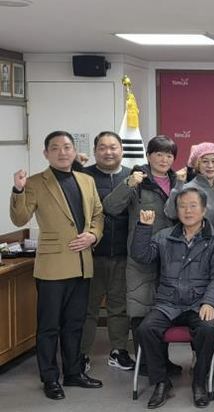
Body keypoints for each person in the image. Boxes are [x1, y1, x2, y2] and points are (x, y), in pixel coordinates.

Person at [10, 131, 104, 400]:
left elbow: (98, 214)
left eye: (67, 147)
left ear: (74, 151)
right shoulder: (35, 182)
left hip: (82, 263)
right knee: (49, 326)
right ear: (46, 153)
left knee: (75, 323)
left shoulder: (86, 180)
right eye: (55, 148)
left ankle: (73, 373)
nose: (62, 152)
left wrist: (93, 235)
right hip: (52, 266)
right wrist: (18, 190)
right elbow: (19, 219)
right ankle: (50, 378)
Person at [133, 188, 214, 409]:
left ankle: (199, 382)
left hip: (198, 302)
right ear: (176, 210)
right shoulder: (164, 236)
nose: (188, 210)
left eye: (193, 205)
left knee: (208, 330)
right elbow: (141, 256)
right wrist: (144, 228)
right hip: (168, 302)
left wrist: (210, 302)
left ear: (204, 210)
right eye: (182, 206)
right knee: (146, 329)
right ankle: (161, 382)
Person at [102, 135, 179, 375]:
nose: (164, 159)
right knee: (140, 307)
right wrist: (129, 184)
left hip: (170, 255)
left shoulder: (179, 182)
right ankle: (145, 364)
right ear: (149, 156)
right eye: (158, 154)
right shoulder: (138, 180)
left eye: (169, 155)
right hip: (140, 254)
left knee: (164, 309)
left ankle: (163, 361)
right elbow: (110, 207)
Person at [80, 131, 135, 373]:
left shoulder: (132, 177)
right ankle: (81, 354)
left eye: (113, 147)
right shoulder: (84, 176)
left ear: (121, 150)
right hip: (90, 255)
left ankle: (119, 351)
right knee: (87, 308)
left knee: (119, 307)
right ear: (95, 151)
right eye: (102, 147)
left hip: (123, 254)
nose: (108, 152)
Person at [165, 142, 214, 232]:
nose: (210, 166)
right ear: (197, 165)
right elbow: (171, 214)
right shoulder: (187, 188)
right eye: (205, 161)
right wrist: (178, 186)